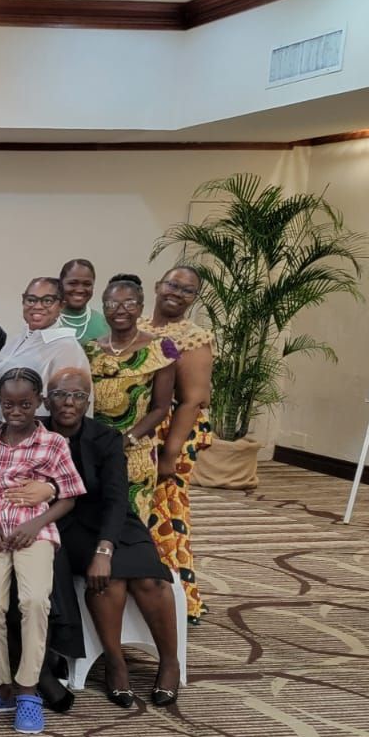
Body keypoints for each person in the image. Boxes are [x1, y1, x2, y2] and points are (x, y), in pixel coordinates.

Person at [0, 368, 84, 735]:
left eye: (25, 404)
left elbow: (70, 495)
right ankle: (0, 687)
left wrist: (35, 524)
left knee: (33, 602)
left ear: (39, 402)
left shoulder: (53, 444)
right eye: (8, 404)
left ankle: (28, 691)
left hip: (35, 535)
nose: (16, 411)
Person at [44, 369, 183, 707]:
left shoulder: (105, 438)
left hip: (114, 519)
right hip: (68, 523)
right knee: (108, 583)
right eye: (61, 394)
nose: (69, 402)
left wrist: (105, 548)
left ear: (87, 402)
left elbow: (117, 499)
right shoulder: (38, 433)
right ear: (48, 400)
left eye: (77, 396)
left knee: (150, 579)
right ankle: (115, 663)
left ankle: (169, 662)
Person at [145, 265, 215, 624]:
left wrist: (169, 454)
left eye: (187, 290)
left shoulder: (194, 338)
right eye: (172, 284)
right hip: (142, 431)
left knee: (167, 513)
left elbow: (191, 401)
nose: (177, 292)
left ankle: (179, 597)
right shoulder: (139, 325)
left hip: (173, 435)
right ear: (158, 286)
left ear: (194, 299)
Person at [86, 275, 178, 522]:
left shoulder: (161, 349)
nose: (120, 310)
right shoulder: (90, 349)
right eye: (112, 304)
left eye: (129, 303)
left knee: (131, 518)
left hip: (136, 448)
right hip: (94, 447)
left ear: (140, 307)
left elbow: (161, 407)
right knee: (93, 515)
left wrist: (127, 440)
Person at [0, 277, 89, 418]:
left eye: (47, 301)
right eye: (31, 300)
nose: (37, 306)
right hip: (0, 431)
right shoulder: (16, 340)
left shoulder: (67, 348)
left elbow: (72, 405)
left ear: (61, 305)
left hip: (35, 434)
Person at [58, 259, 109, 344]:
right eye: (73, 283)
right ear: (60, 284)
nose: (80, 290)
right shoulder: (47, 321)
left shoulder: (103, 323)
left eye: (87, 284)